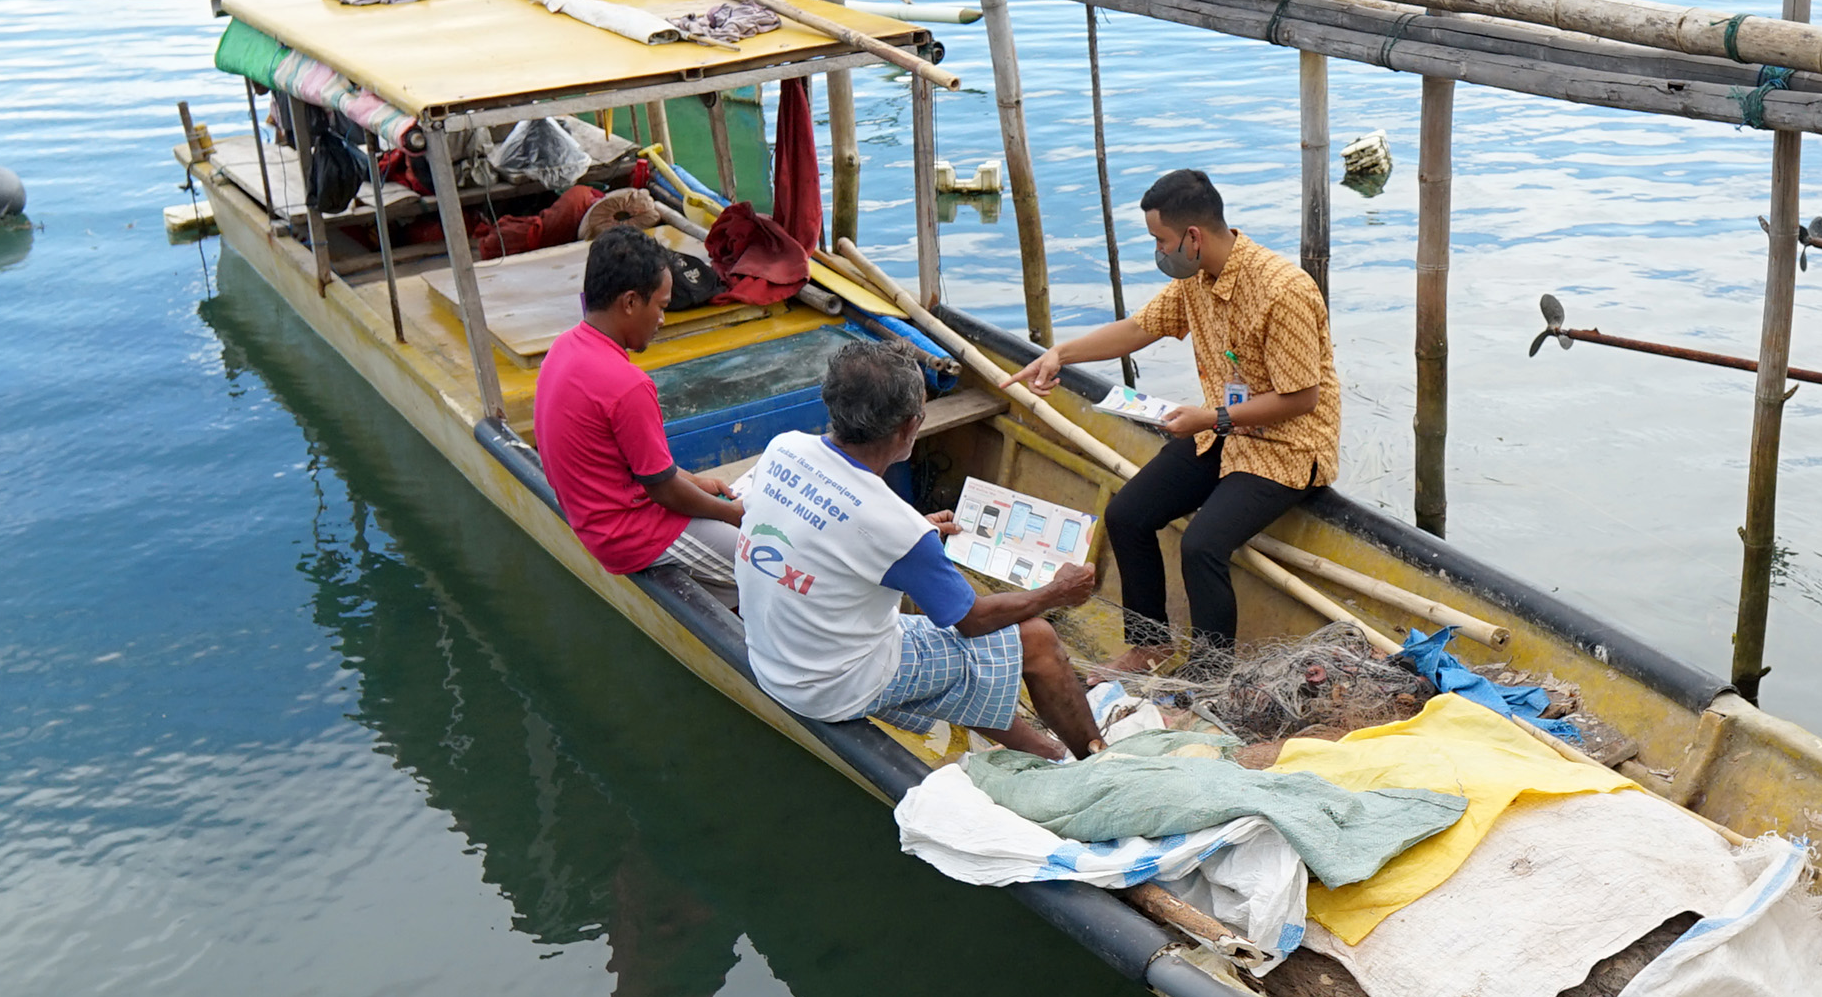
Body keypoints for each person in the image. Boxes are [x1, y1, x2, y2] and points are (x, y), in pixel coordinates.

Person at [1019, 169, 1340, 669]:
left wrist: (1212, 417)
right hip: (1222, 433)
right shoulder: (1198, 281)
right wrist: (1060, 354)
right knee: (1127, 515)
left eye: (1160, 240)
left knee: (1202, 545)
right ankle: (1151, 643)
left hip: (1289, 449)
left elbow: (1301, 398)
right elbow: (1139, 329)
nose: (1159, 252)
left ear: (1193, 237)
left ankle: (1210, 676)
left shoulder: (1283, 290)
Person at [737, 341, 1105, 759]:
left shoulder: (783, 448)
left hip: (772, 660)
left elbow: (815, 528)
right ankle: (1097, 758)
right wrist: (1056, 592)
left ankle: (1046, 753)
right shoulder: (897, 527)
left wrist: (915, 533)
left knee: (962, 656)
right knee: (1035, 639)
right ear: (910, 426)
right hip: (831, 686)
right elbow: (971, 622)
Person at [534, 225, 751, 593]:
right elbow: (663, 490)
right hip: (631, 535)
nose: (662, 321)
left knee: (729, 565)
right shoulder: (627, 384)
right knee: (768, 562)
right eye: (662, 307)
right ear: (631, 302)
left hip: (591, 520)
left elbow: (646, 468)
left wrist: (699, 482)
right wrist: (733, 514)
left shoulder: (563, 348)